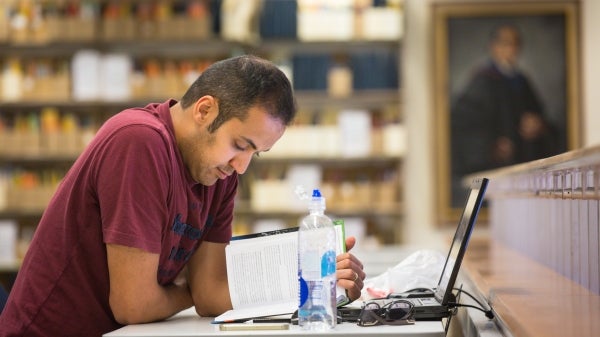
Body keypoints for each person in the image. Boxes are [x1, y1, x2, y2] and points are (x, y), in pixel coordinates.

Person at [0, 55, 366, 336]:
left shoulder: (219, 176)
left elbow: (209, 295)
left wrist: (313, 282)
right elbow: (133, 305)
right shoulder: (139, 142)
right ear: (205, 110)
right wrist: (194, 290)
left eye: (255, 154)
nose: (241, 167)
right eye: (240, 145)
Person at [450, 24, 559, 205]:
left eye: (516, 44)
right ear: (494, 47)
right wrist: (491, 145)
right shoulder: (482, 80)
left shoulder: (522, 81)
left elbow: (539, 115)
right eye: (507, 44)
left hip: (522, 164)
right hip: (495, 166)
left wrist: (537, 124)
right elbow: (464, 122)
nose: (512, 49)